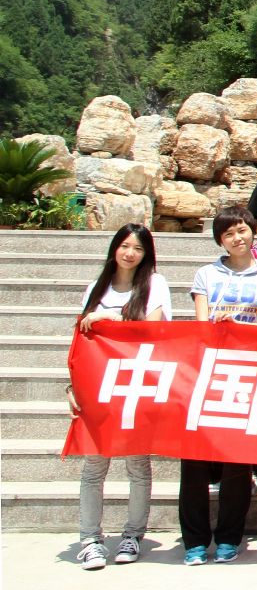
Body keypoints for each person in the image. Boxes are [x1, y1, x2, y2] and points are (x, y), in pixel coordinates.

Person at [181, 209, 257, 566]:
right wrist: (218, 328)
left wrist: (241, 328)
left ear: (253, 232)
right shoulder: (206, 274)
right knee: (194, 461)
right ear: (220, 240)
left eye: (242, 230)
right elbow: (200, 325)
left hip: (249, 372)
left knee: (236, 463)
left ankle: (229, 537)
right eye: (228, 234)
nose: (237, 238)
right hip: (209, 371)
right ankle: (195, 540)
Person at [72, 224, 171, 570]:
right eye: (125, 246)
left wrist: (108, 317)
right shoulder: (95, 288)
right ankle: (90, 539)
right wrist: (72, 387)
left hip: (136, 383)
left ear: (147, 254)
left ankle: (133, 535)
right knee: (94, 466)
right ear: (115, 248)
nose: (130, 253)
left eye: (138, 248)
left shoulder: (155, 284)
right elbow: (81, 342)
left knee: (137, 465)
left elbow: (152, 329)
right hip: (99, 385)